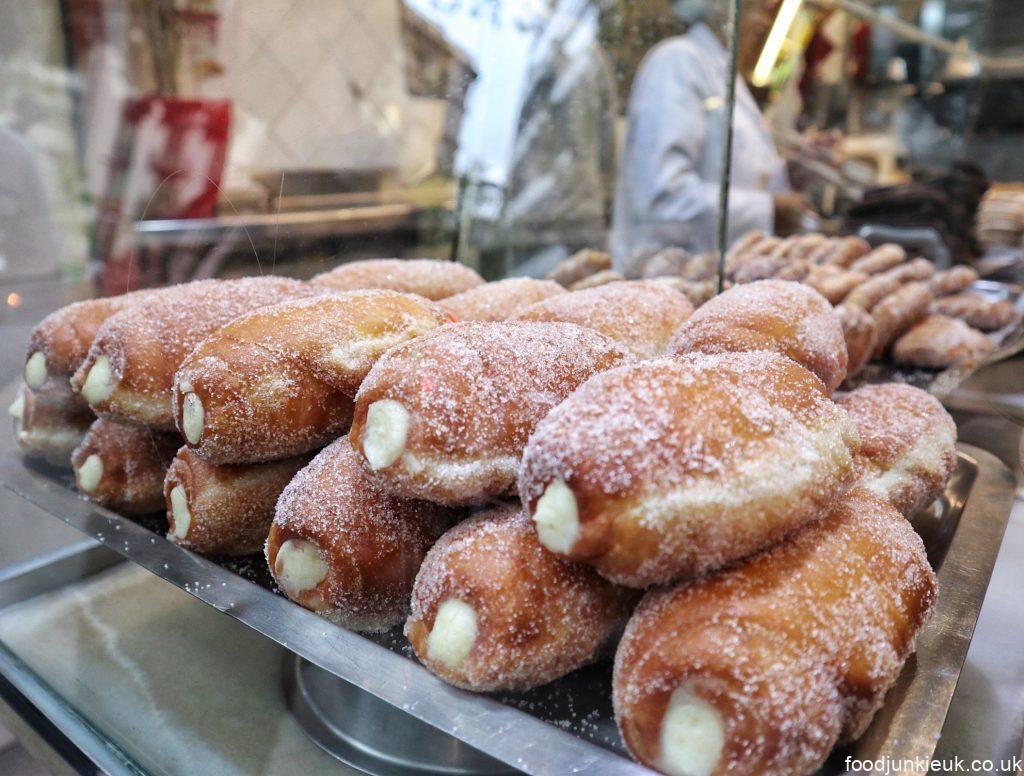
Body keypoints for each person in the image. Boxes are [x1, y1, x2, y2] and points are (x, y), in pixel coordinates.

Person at [611, 0, 814, 276]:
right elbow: (662, 201)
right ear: (721, 8)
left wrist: (788, 172)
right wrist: (770, 211)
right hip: (667, 279)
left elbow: (733, 169)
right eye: (756, 8)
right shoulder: (677, 63)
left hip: (720, 278)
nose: (766, 22)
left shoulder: (725, 73)